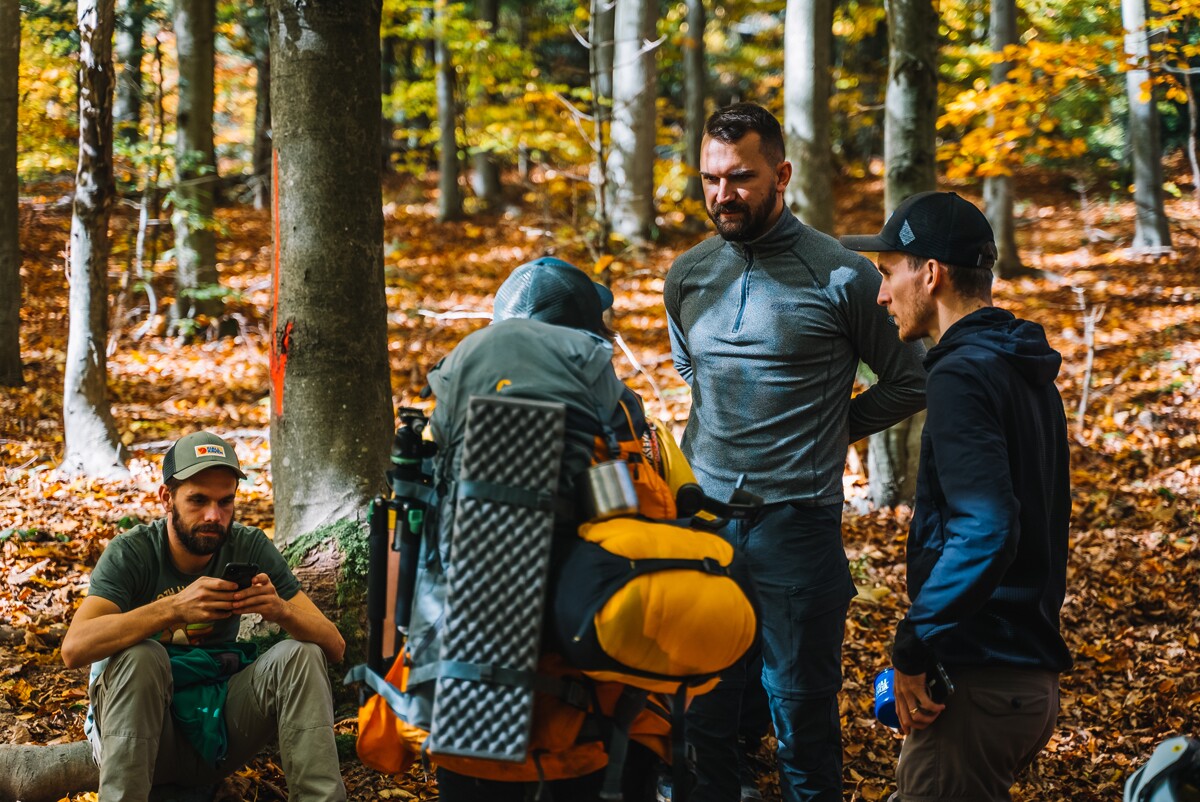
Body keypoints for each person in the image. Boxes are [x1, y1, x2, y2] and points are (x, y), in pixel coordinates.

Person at [663, 102, 928, 802]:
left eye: (741, 178)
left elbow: (910, 379)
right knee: (704, 710)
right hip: (704, 523)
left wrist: (835, 425)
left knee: (801, 709)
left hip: (797, 525)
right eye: (710, 179)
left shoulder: (841, 276)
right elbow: (695, 372)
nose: (723, 194)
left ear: (780, 173)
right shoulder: (687, 275)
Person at [840, 190, 1072, 801]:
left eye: (889, 273)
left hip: (979, 682)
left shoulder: (962, 375)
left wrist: (913, 644)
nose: (882, 293)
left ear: (932, 273)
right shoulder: (1021, 364)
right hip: (1024, 680)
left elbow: (989, 527)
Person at [61, 431, 347, 802]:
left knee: (301, 654)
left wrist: (279, 609)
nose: (214, 515)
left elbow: (334, 645)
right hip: (137, 737)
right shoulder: (133, 553)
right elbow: (74, 648)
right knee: (141, 656)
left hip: (218, 732)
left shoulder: (246, 545)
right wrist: (173, 608)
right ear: (166, 498)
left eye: (225, 501)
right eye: (198, 500)